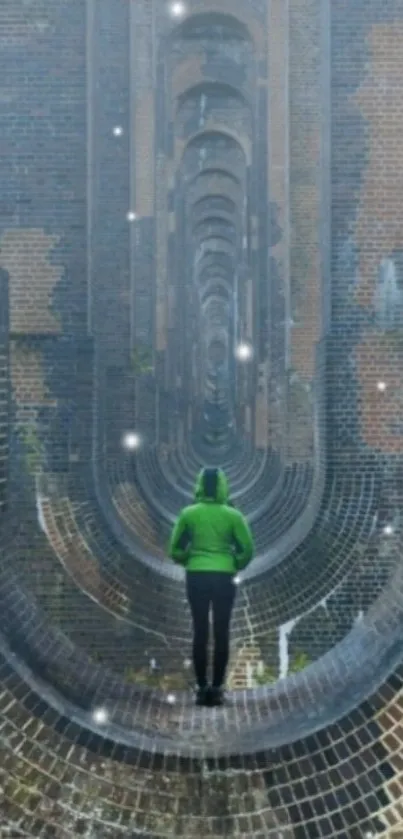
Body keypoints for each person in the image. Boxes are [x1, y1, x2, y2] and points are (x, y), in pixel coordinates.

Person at [168, 467, 254, 707]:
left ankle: (201, 687)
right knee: (222, 631)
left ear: (198, 486)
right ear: (223, 487)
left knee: (200, 631)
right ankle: (217, 688)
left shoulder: (188, 514)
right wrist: (234, 563)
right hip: (224, 576)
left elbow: (173, 549)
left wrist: (190, 559)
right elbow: (247, 549)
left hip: (196, 575)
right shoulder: (233, 516)